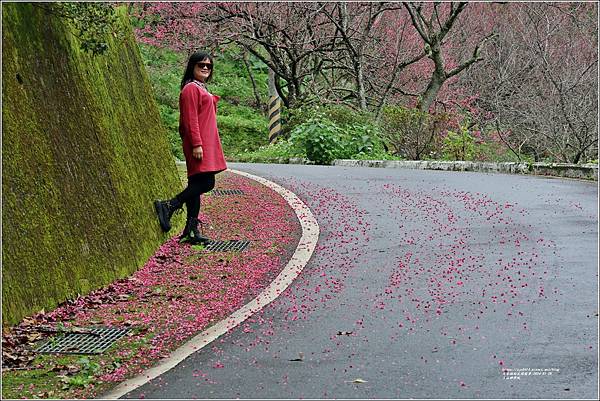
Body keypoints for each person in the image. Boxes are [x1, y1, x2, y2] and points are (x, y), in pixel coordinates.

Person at [154, 51, 227, 244]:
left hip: (204, 143)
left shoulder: (201, 88)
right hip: (199, 144)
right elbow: (190, 119)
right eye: (201, 65)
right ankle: (169, 206)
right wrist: (197, 144)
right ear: (192, 67)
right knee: (206, 183)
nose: (205, 68)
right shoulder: (190, 89)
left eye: (208, 66)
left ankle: (191, 231)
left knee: (196, 184)